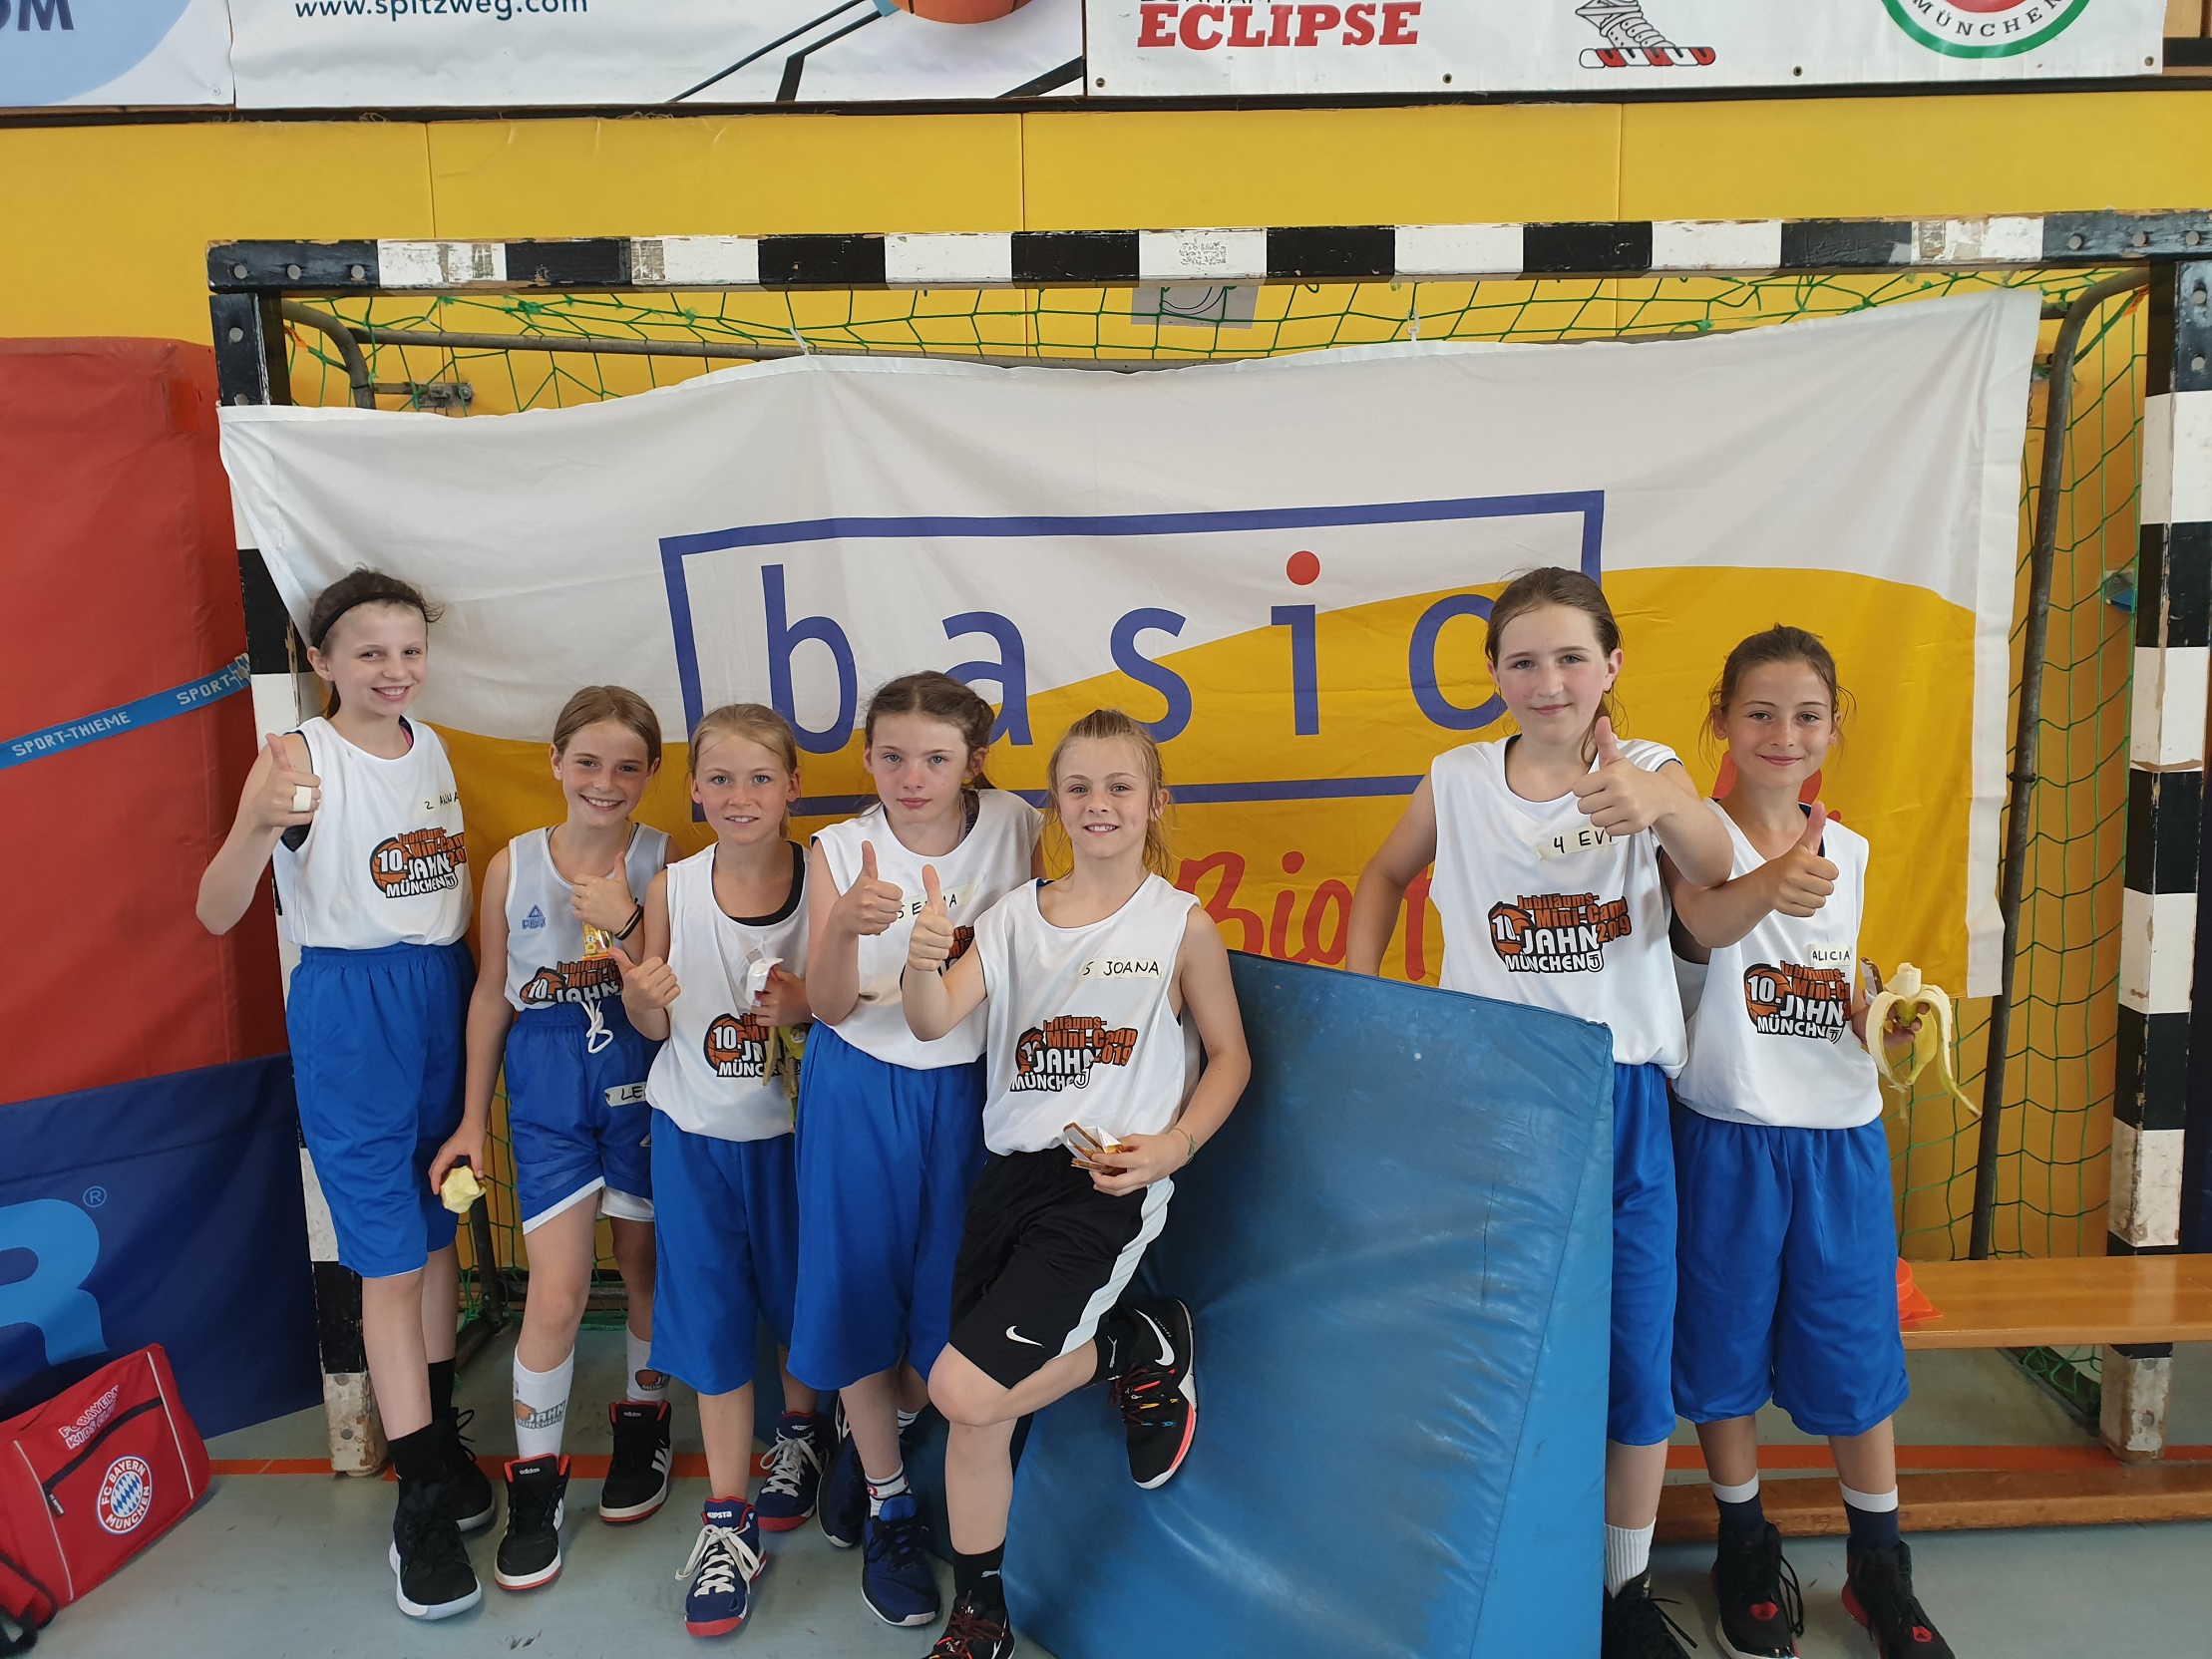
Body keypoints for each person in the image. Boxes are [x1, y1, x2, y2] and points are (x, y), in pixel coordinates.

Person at [1344, 565, 1732, 1659]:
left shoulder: (1647, 768)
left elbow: (1714, 867)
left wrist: (1664, 804)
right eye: (1523, 660)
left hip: (1618, 1099)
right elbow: (1381, 877)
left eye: (1570, 656)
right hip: (1493, 1102)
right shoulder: (1459, 778)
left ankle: (1623, 1590)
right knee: (1492, 1347)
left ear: (1611, 665)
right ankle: (1499, 1564)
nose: (1548, 678)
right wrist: (1366, 1003)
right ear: (1494, 675)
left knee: (1634, 1353)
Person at [905, 707, 1251, 1659]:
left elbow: (1230, 1057)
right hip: (1005, 1180)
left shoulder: (1180, 926)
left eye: (1119, 786)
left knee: (962, 1391)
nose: (1099, 804)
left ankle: (1134, 1341)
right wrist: (923, 962)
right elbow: (933, 1019)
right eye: (1079, 787)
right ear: (1054, 804)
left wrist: (1175, 1146)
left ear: (1155, 803)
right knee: (975, 1417)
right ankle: (982, 1612)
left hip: (1102, 1186)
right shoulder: (1014, 917)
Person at [195, 567, 492, 1621]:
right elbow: (215, 909)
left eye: (410, 650)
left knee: (440, 1226)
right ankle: (420, 1505)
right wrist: (253, 827)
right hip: (351, 1012)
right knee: (390, 1259)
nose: (395, 669)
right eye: (370, 652)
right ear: (322, 660)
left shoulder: (433, 748)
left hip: (440, 995)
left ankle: (438, 1443)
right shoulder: (296, 760)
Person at [1663, 627, 1953, 1659]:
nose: (1784, 733)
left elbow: (1832, 981)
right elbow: (1696, 938)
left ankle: (1879, 1564)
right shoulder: (1691, 839)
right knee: (1722, 1350)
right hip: (1727, 1134)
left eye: (1807, 714)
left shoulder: (1853, 850)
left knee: (1854, 1354)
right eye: (1760, 712)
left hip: (1838, 1141)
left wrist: (1878, 1016)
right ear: (1721, 721)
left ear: (1833, 727)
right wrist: (1767, 879)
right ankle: (1744, 1541)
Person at [791, 672, 1042, 1630]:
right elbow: (825, 1007)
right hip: (861, 1086)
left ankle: (879, 1436)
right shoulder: (839, 850)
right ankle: (891, 1503)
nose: (911, 776)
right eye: (892, 756)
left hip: (974, 1090)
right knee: (856, 1290)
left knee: (950, 1304)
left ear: (972, 762)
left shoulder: (1016, 825)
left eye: (935, 758)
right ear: (866, 758)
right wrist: (843, 932)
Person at [431, 685, 671, 1595]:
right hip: (545, 1086)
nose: (605, 781)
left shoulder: (665, 862)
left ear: (651, 774)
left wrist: (627, 917)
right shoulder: (513, 864)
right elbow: (492, 994)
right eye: (588, 762)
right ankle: (535, 1487)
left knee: (644, 1269)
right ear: (556, 762)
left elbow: (671, 988)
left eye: (626, 766)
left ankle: (643, 1429)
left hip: (640, 1078)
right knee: (559, 1293)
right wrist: (470, 1118)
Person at [614, 704, 826, 1638]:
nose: (742, 795)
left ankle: (803, 1439)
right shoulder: (674, 885)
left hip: (797, 1141)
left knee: (804, 1307)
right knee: (710, 1324)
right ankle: (727, 1518)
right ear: (695, 790)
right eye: (722, 779)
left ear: (792, 788)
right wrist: (640, 994)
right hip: (695, 1138)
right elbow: (656, 1022)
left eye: (761, 777)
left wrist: (803, 1007)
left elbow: (847, 1005)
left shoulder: (826, 877)